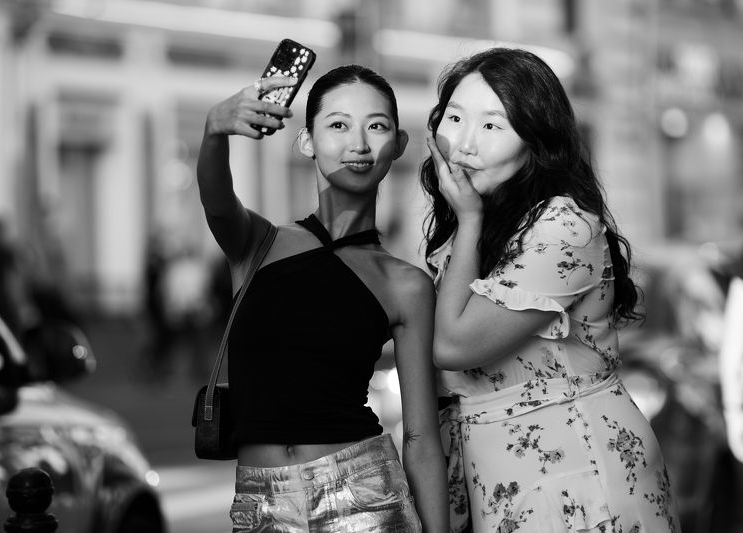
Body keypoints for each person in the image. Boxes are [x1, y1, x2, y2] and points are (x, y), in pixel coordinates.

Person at [420, 48, 681, 533]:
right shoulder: (480, 224)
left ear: (535, 140)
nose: (464, 144)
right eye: (455, 118)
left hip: (575, 468)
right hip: (502, 473)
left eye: (493, 126)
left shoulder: (562, 225)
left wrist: (471, 219)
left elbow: (453, 346)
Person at [197, 65, 448, 531]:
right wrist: (215, 128)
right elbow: (215, 201)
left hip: (365, 497)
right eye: (337, 125)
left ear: (398, 145)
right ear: (306, 141)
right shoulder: (257, 243)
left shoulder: (406, 284)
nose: (358, 143)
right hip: (259, 502)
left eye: (376, 126)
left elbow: (419, 436)